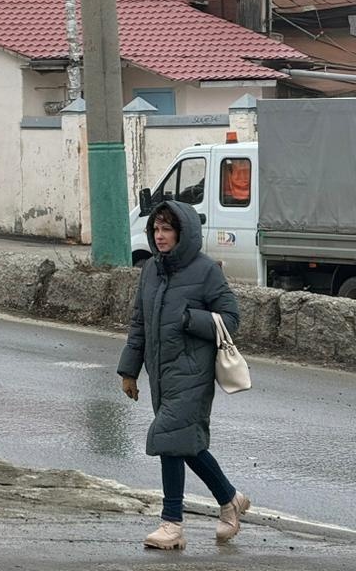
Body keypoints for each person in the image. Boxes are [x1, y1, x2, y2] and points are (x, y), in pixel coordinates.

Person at [117, 200, 249, 550]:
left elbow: (231, 319)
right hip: (161, 372)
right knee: (183, 443)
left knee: (168, 438)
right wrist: (129, 370)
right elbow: (139, 324)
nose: (160, 236)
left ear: (182, 232)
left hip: (192, 372)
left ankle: (171, 524)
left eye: (167, 229)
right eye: (156, 229)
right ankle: (230, 499)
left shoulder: (206, 271)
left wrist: (192, 319)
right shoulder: (150, 270)